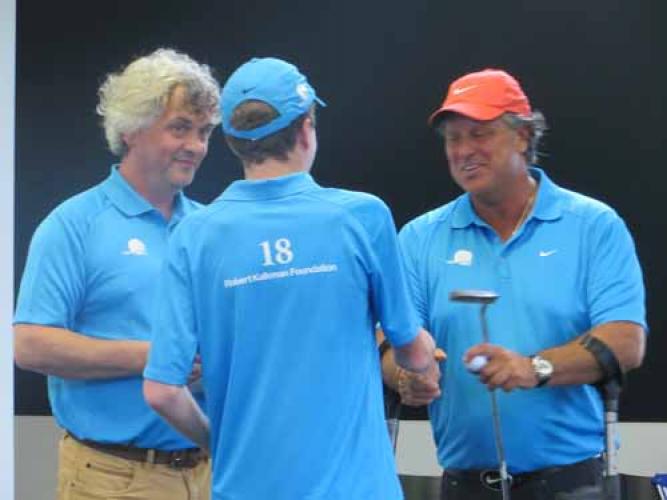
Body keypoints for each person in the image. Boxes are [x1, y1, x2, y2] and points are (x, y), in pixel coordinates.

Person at [143, 57, 440, 500]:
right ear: (306, 129)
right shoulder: (361, 216)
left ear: (233, 142)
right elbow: (411, 351)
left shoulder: (193, 236)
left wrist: (220, 446)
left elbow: (162, 392)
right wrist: (426, 355)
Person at [381, 68, 646, 499]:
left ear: (523, 136)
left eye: (479, 134)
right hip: (464, 485)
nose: (463, 150)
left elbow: (625, 341)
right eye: (453, 139)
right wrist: (407, 374)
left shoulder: (593, 225)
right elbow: (391, 342)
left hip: (573, 484)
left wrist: (532, 368)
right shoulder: (419, 237)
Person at [13, 48, 220, 500]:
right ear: (131, 129)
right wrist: (155, 357)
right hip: (112, 478)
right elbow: (29, 344)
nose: (196, 146)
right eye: (180, 128)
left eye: (204, 131)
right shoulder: (74, 225)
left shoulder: (211, 228)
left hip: (209, 473)